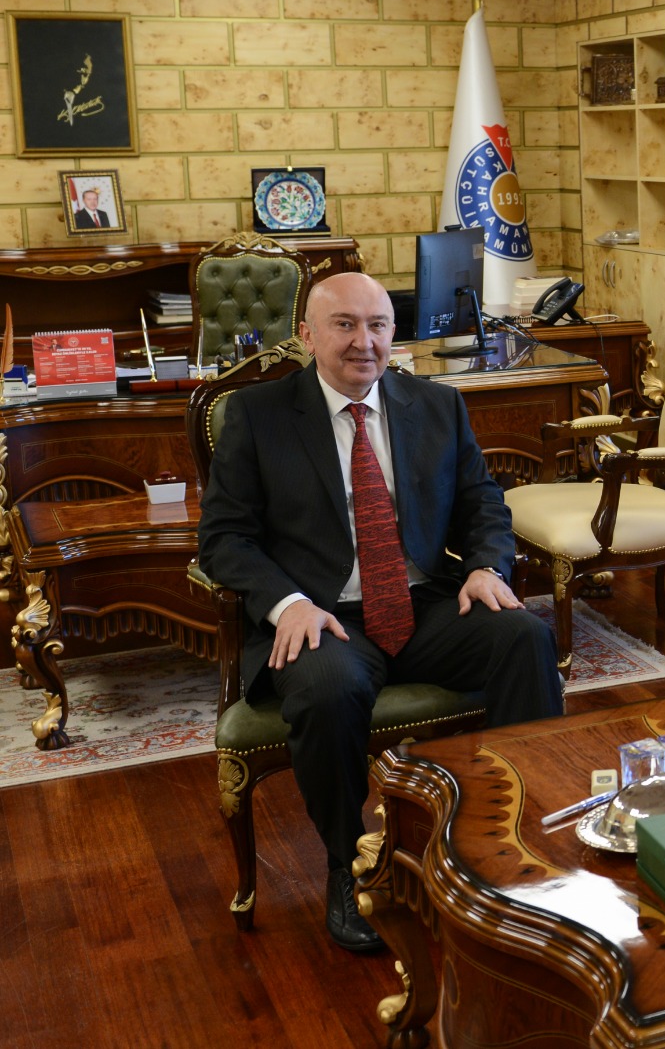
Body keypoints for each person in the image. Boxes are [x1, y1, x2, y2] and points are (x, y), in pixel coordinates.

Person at [198, 271, 564, 952]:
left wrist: (486, 566)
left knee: (523, 637)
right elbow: (224, 538)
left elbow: (482, 501)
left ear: (395, 333)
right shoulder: (258, 415)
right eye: (344, 325)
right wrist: (286, 604)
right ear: (307, 335)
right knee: (328, 687)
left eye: (377, 325)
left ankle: (515, 839)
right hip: (323, 614)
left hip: (424, 602)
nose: (363, 342)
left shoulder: (436, 404)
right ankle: (348, 868)